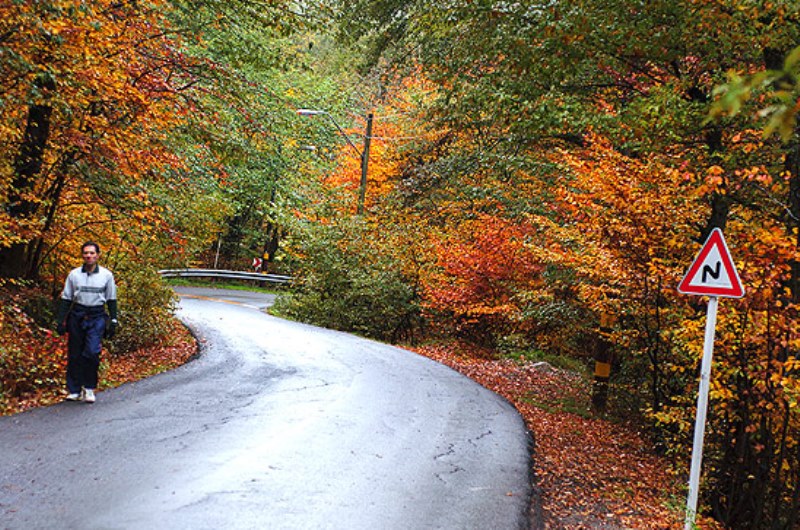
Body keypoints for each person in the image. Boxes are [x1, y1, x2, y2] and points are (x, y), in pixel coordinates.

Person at [55, 241, 118, 403]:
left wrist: (113, 319)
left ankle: (89, 388)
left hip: (97, 315)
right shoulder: (74, 275)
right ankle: (74, 389)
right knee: (74, 353)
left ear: (98, 255)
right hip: (77, 314)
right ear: (82, 255)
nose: (89, 256)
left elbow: (111, 298)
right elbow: (66, 298)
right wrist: (60, 320)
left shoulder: (106, 275)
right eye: (86, 253)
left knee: (91, 352)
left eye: (92, 253)